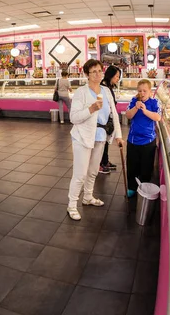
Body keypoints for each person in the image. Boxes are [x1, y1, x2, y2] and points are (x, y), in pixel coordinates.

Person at [67, 59, 123, 221]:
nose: (98, 74)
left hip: (100, 137)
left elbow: (114, 114)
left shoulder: (106, 91)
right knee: (80, 174)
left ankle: (88, 197)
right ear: (87, 74)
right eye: (94, 72)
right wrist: (91, 109)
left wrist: (118, 135)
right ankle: (72, 205)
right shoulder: (81, 92)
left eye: (100, 71)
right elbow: (74, 117)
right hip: (82, 137)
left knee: (93, 171)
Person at [124, 79, 162, 198]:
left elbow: (158, 117)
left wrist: (145, 111)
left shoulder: (154, 102)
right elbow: (128, 115)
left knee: (146, 167)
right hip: (133, 140)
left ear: (150, 91)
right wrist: (136, 108)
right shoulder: (134, 101)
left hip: (148, 141)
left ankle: (144, 188)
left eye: (145, 91)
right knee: (132, 166)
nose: (142, 93)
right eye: (140, 91)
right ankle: (131, 188)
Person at [99, 65, 121, 173]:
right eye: (116, 76)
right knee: (102, 142)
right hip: (103, 121)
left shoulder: (109, 86)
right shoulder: (103, 87)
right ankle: (100, 164)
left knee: (106, 142)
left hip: (108, 120)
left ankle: (105, 161)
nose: (118, 78)